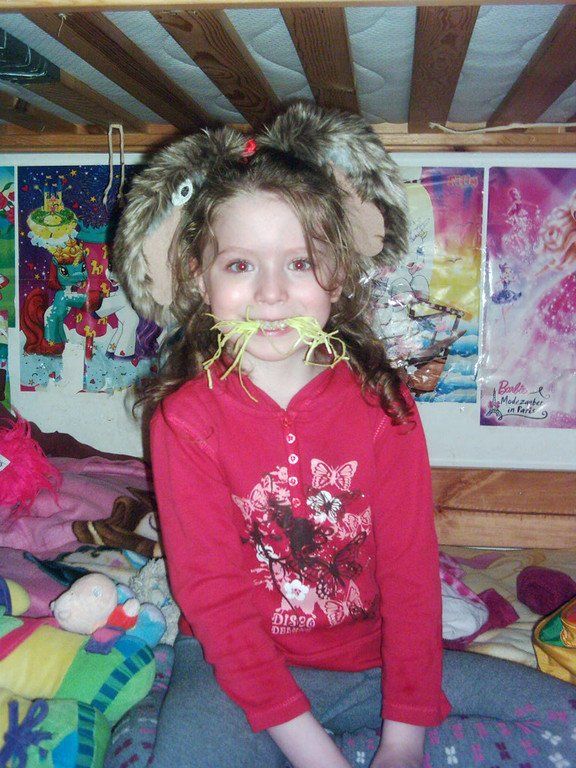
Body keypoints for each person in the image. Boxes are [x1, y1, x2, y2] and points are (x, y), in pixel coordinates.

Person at [113, 104, 576, 768]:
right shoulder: (185, 419)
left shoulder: (381, 405)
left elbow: (410, 576)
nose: (271, 293)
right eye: (240, 265)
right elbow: (214, 603)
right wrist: (315, 754)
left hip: (369, 668)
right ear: (198, 275)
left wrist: (404, 738)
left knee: (560, 713)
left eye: (300, 262)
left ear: (338, 272)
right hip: (237, 676)